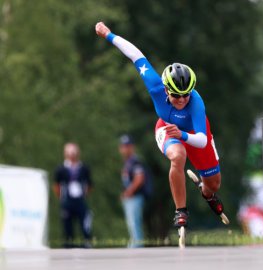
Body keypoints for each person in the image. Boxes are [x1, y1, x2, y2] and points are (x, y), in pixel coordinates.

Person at [95, 22, 225, 229]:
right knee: (178, 156)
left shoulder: (196, 103)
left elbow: (201, 140)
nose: (182, 99)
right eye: (176, 95)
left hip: (194, 134)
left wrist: (182, 134)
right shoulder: (155, 85)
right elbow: (135, 55)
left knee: (213, 185)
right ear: (165, 90)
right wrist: (109, 35)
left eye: (186, 94)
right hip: (167, 129)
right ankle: (181, 211)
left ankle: (206, 193)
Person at [54, 143, 93, 248]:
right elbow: (56, 186)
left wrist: (85, 195)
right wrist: (62, 197)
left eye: (74, 153)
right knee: (67, 227)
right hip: (67, 201)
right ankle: (68, 245)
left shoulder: (84, 168)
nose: (72, 155)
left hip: (80, 201)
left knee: (85, 224)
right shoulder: (61, 169)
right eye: (69, 153)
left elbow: (89, 184)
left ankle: (87, 244)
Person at [119, 134, 147, 248]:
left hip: (135, 197)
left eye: (127, 146)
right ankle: (135, 244)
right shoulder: (128, 162)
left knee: (134, 223)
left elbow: (139, 178)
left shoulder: (135, 161)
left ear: (132, 147)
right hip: (130, 198)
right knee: (131, 223)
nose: (125, 149)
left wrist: (128, 192)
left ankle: (137, 246)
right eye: (123, 146)